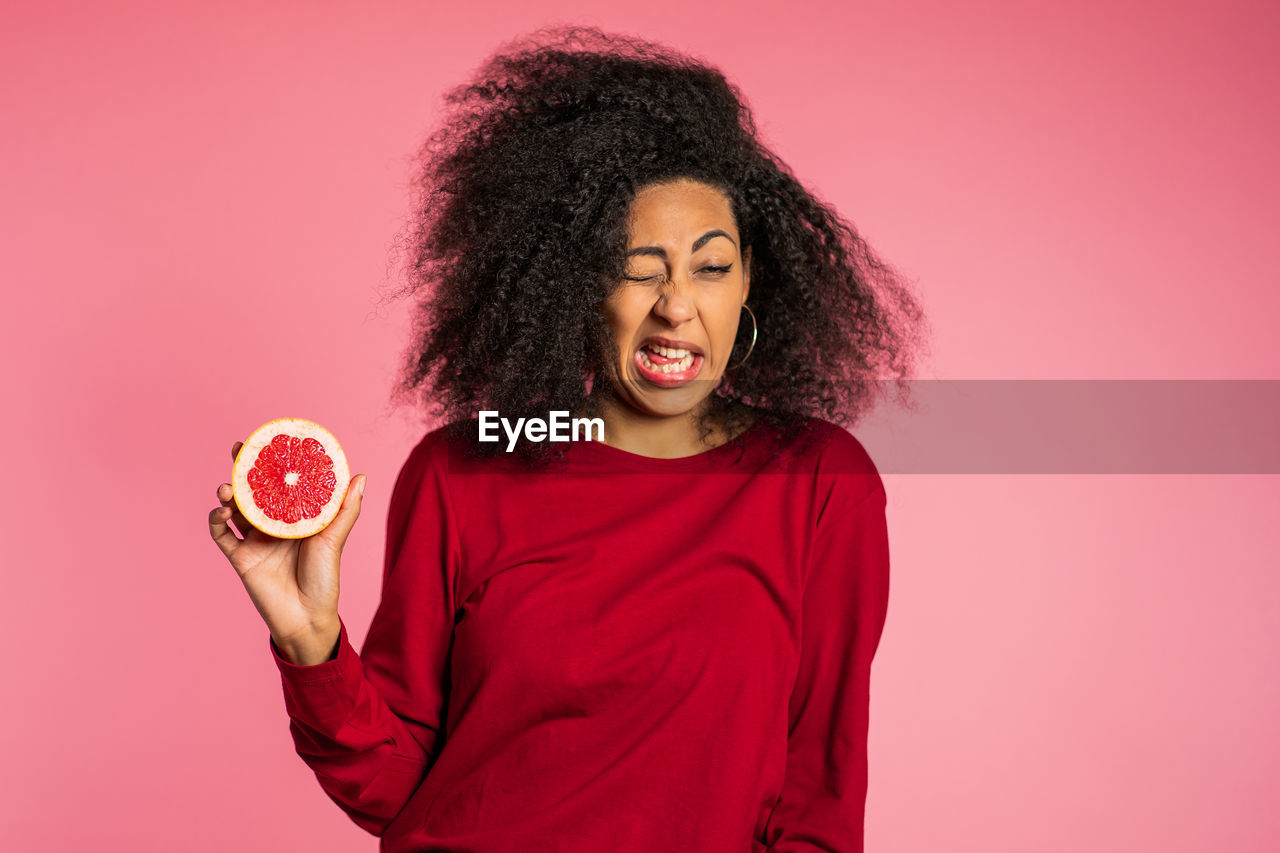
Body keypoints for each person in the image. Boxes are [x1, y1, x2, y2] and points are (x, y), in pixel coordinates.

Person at [208, 24, 927, 853]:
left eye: (710, 265)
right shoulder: (464, 470)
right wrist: (310, 642)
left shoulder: (817, 482)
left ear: (752, 278)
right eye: (638, 266)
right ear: (570, 284)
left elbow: (819, 803)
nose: (677, 305)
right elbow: (399, 784)